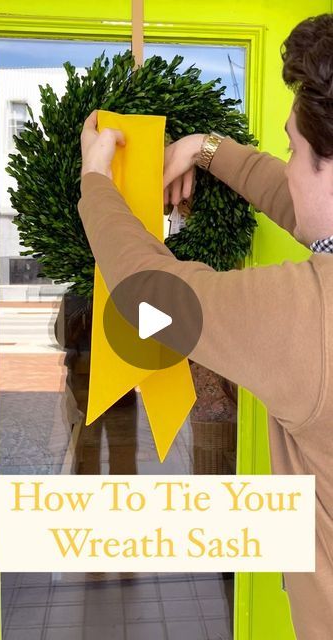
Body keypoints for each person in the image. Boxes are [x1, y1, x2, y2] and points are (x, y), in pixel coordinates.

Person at [77, 13, 333, 640]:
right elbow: (309, 213)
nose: (288, 167)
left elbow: (151, 299)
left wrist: (95, 183)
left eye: (295, 151)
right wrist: (204, 149)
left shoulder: (310, 318)